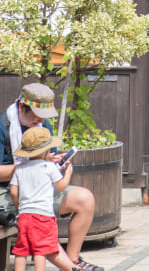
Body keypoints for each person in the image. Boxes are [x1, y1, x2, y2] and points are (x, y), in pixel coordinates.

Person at [0, 84, 102, 271]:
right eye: (37, 115)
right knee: (38, 224)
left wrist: (51, 161)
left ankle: (73, 259)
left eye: (44, 117)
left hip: (40, 189)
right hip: (7, 192)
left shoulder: (42, 124)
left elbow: (47, 158)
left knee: (84, 199)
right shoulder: (3, 125)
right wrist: (27, 168)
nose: (41, 120)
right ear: (22, 107)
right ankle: (71, 268)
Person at [9, 126, 74, 271]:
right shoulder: (49, 167)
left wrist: (19, 206)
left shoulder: (20, 168)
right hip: (43, 216)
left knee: (21, 249)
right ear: (46, 150)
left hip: (24, 216)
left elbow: (13, 191)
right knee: (41, 249)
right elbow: (61, 186)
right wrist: (68, 173)